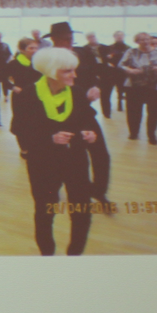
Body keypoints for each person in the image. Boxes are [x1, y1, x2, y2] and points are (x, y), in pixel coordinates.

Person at [12, 46, 101, 256]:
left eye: (74, 70)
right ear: (52, 71)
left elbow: (87, 119)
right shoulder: (29, 94)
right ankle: (48, 255)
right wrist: (49, 138)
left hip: (75, 160)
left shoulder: (76, 92)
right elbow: (19, 131)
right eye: (68, 71)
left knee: (82, 210)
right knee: (46, 210)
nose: (74, 75)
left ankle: (74, 254)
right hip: (43, 163)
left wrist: (90, 133)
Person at [45, 21, 111, 204]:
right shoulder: (48, 59)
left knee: (101, 154)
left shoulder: (82, 53)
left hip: (85, 112)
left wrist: (96, 87)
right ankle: (76, 190)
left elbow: (95, 74)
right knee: (74, 158)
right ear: (54, 39)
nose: (69, 42)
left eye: (71, 38)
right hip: (63, 116)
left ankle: (98, 191)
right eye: (65, 39)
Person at [118, 32, 157, 145]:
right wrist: (130, 70)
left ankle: (151, 134)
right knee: (133, 111)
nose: (145, 42)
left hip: (153, 86)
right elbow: (121, 65)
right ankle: (133, 132)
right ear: (137, 41)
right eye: (142, 40)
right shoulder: (131, 52)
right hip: (134, 86)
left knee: (153, 112)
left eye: (147, 39)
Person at [5, 37, 42, 157]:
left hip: (37, 96)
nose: (34, 50)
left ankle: (35, 146)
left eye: (36, 48)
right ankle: (24, 148)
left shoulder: (40, 63)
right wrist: (13, 87)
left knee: (36, 121)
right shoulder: (14, 63)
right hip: (21, 97)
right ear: (22, 49)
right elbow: (1, 77)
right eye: (31, 48)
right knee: (21, 123)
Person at [102, 30, 129, 114]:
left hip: (123, 72)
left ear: (124, 36)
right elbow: (105, 59)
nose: (119, 37)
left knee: (122, 88)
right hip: (112, 72)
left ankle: (120, 103)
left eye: (121, 35)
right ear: (114, 37)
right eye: (117, 35)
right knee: (109, 90)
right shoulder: (109, 48)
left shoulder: (128, 48)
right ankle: (108, 107)